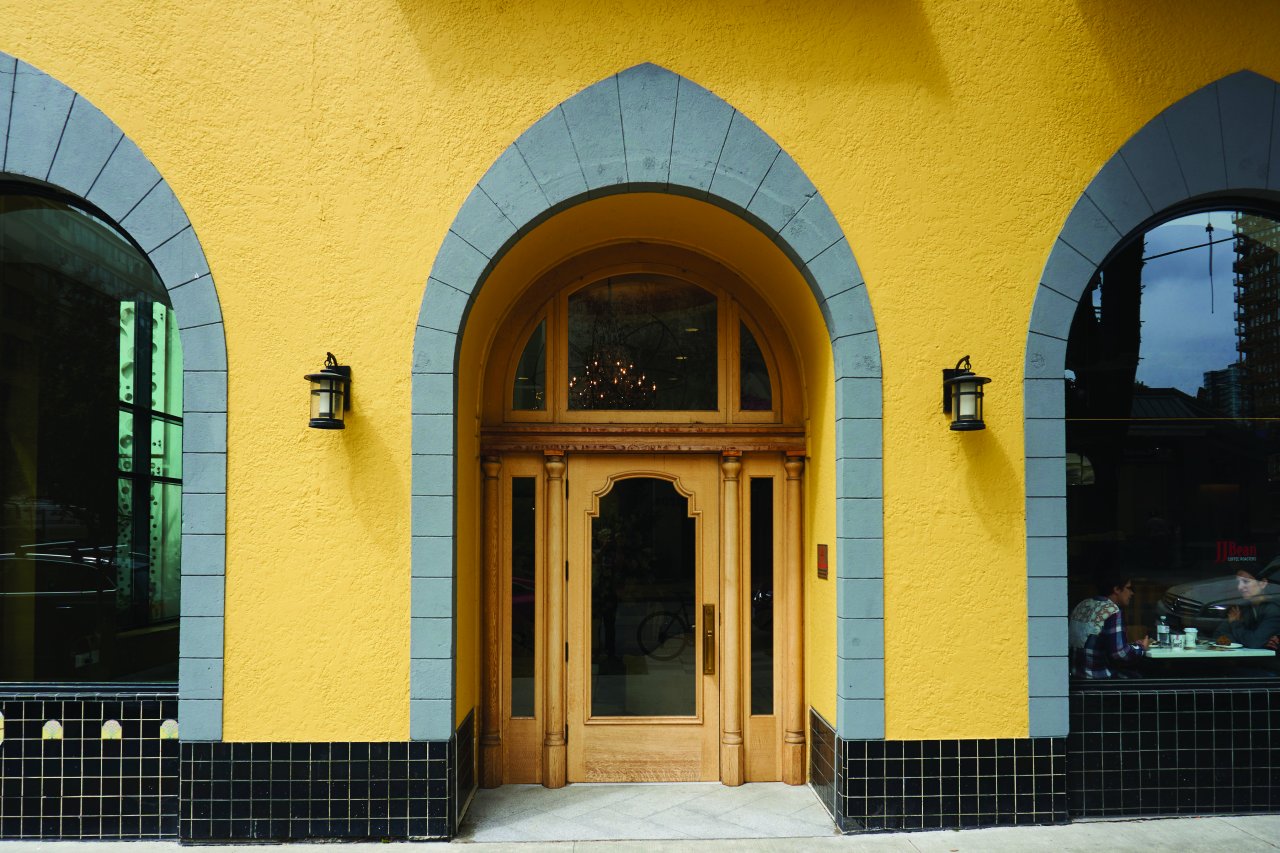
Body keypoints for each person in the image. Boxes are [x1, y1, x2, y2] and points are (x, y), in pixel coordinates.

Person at [1069, 570, 1150, 678]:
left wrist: (1132, 646)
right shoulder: (1111, 610)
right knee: (1143, 677)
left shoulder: (1083, 604)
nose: (1132, 593)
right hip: (1100, 679)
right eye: (1129, 588)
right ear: (1116, 589)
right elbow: (1120, 654)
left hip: (1075, 678)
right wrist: (1141, 648)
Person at [1211, 567, 1280, 648]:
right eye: (1238, 583)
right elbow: (1218, 635)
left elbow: (1254, 642)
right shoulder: (1242, 608)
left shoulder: (1273, 610)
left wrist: (1235, 624)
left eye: (1246, 581)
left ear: (1263, 583)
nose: (1240, 587)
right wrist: (1245, 640)